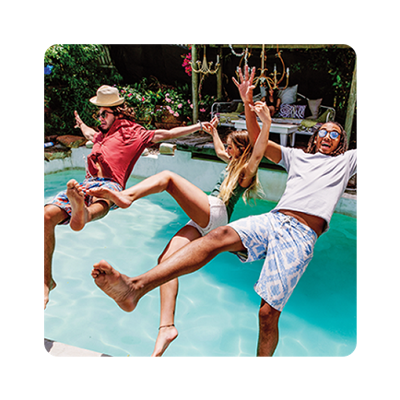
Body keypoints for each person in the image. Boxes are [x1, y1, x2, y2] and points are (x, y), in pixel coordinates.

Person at [90, 66, 357, 357]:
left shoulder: (347, 162)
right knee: (218, 236)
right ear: (316, 137)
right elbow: (258, 144)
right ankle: (135, 287)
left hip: (301, 234)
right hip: (274, 219)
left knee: (267, 314)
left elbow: (253, 153)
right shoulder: (295, 157)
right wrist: (247, 103)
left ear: (340, 143)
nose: (329, 135)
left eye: (335, 134)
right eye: (325, 131)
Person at [88, 103, 271, 356]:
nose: (226, 149)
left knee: (168, 178)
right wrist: (214, 132)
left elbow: (258, 153)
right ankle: (166, 327)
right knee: (166, 261)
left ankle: (126, 196)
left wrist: (266, 125)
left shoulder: (245, 172)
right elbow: (219, 148)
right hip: (204, 222)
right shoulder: (230, 160)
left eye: (231, 146)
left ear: (242, 150)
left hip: (215, 211)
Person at [44, 85, 215, 309]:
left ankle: (84, 214)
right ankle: (46, 281)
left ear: (118, 112)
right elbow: (88, 133)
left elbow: (168, 134)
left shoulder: (133, 133)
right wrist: (81, 124)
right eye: (98, 114)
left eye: (103, 113)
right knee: (45, 216)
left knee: (104, 200)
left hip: (110, 185)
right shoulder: (100, 136)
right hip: (85, 185)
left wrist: (200, 125)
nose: (99, 117)